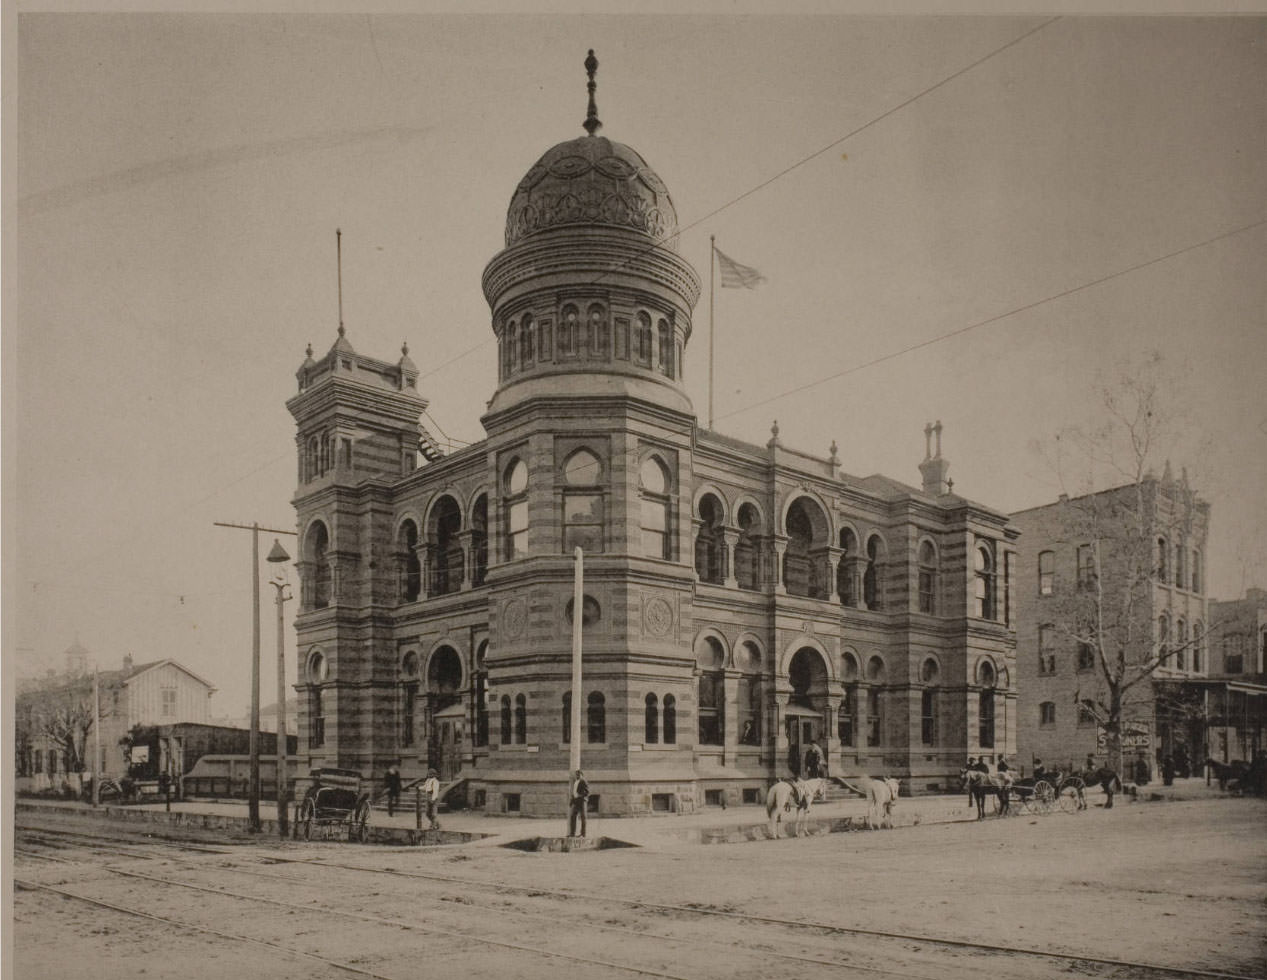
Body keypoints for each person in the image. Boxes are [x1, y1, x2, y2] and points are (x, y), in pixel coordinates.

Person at [568, 769, 590, 838]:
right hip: (575, 801)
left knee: (583, 817)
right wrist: (572, 801)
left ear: (581, 775)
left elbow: (587, 792)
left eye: (578, 774)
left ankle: (583, 834)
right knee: (572, 816)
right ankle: (572, 833)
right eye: (576, 774)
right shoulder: (575, 782)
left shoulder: (583, 781)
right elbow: (573, 792)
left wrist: (580, 795)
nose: (577, 775)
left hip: (582, 801)